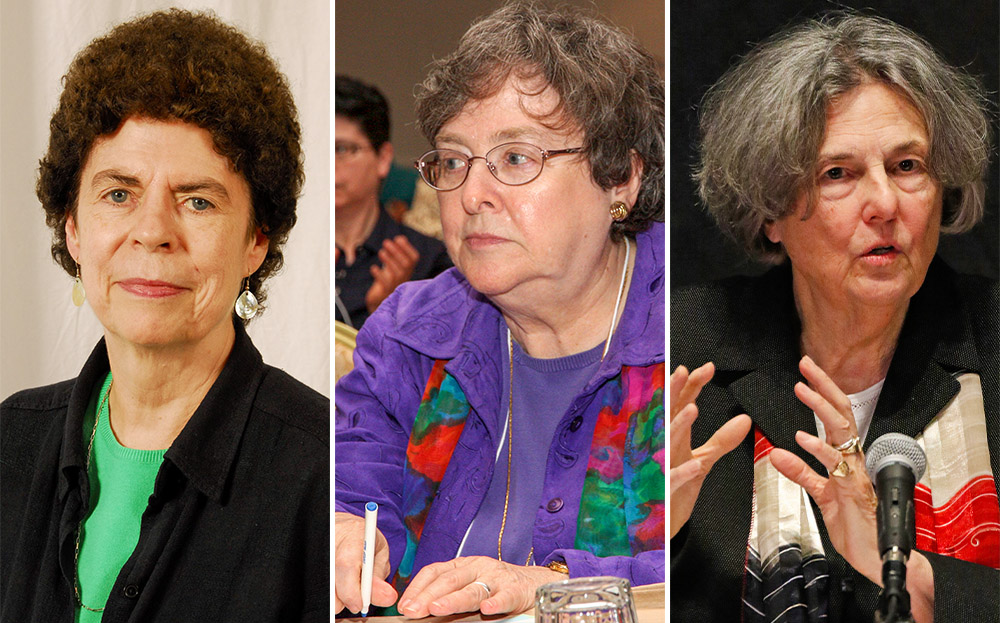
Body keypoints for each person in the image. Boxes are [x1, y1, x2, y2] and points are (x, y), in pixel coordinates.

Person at [336, 2, 665, 618]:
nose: (472, 194)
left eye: (516, 158)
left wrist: (552, 585)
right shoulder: (411, 335)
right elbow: (351, 483)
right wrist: (346, 529)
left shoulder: (688, 336)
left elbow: (707, 568)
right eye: (454, 161)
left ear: (621, 179)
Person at [0, 10, 328, 622]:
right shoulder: (9, 442)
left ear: (256, 239)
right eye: (118, 194)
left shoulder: (318, 472)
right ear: (72, 227)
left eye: (197, 201)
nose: (152, 233)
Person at [671, 13, 999, 623]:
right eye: (838, 174)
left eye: (907, 167)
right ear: (769, 208)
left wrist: (910, 573)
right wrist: (644, 543)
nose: (884, 204)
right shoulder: (685, 346)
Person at [335, 75, 451, 329]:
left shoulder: (428, 262)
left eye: (342, 150)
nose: (328, 164)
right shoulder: (293, 256)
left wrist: (390, 314)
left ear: (383, 159)